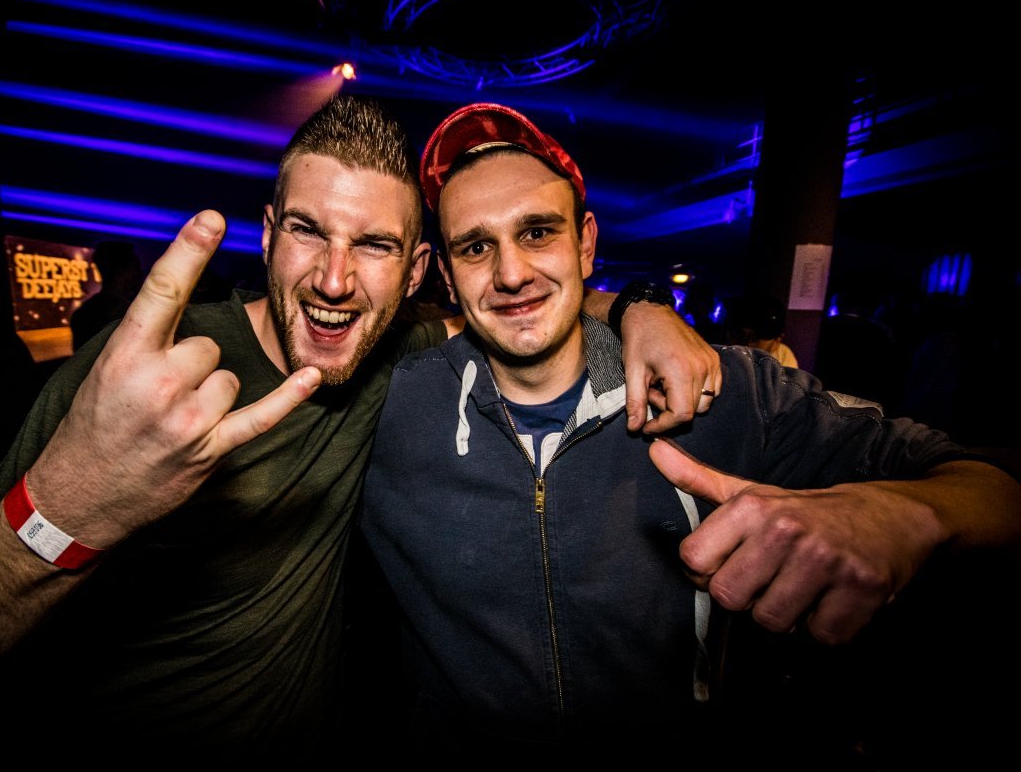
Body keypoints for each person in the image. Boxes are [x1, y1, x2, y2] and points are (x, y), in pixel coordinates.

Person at [0, 95, 720, 759]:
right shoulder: (147, 369)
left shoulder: (402, 351)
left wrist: (643, 310)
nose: (335, 281)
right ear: (270, 236)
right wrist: (70, 511)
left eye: (374, 245)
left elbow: (525, 297)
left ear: (417, 273)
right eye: (308, 231)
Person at [358, 102, 1021, 765]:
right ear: (447, 275)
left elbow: (998, 492)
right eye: (476, 247)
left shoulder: (727, 391)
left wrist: (899, 515)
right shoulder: (388, 407)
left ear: (584, 243)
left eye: (537, 232)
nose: (510, 273)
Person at [70, 239, 145, 350]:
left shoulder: (82, 313)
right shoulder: (129, 314)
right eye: (136, 267)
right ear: (121, 271)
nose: (141, 272)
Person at [722, 291, 799, 368]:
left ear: (777, 341)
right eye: (738, 335)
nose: (744, 346)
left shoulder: (783, 356)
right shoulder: (718, 350)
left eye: (755, 339)